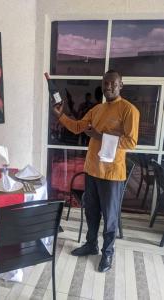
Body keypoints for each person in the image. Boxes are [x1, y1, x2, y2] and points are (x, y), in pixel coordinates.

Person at [53, 70, 140, 272]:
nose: (108, 86)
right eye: (105, 83)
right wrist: (60, 116)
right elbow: (77, 127)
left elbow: (131, 142)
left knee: (110, 217)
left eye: (112, 83)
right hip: (92, 170)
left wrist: (101, 137)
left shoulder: (129, 110)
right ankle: (91, 245)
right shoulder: (97, 110)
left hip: (111, 175)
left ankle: (107, 253)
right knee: (91, 212)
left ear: (121, 85)